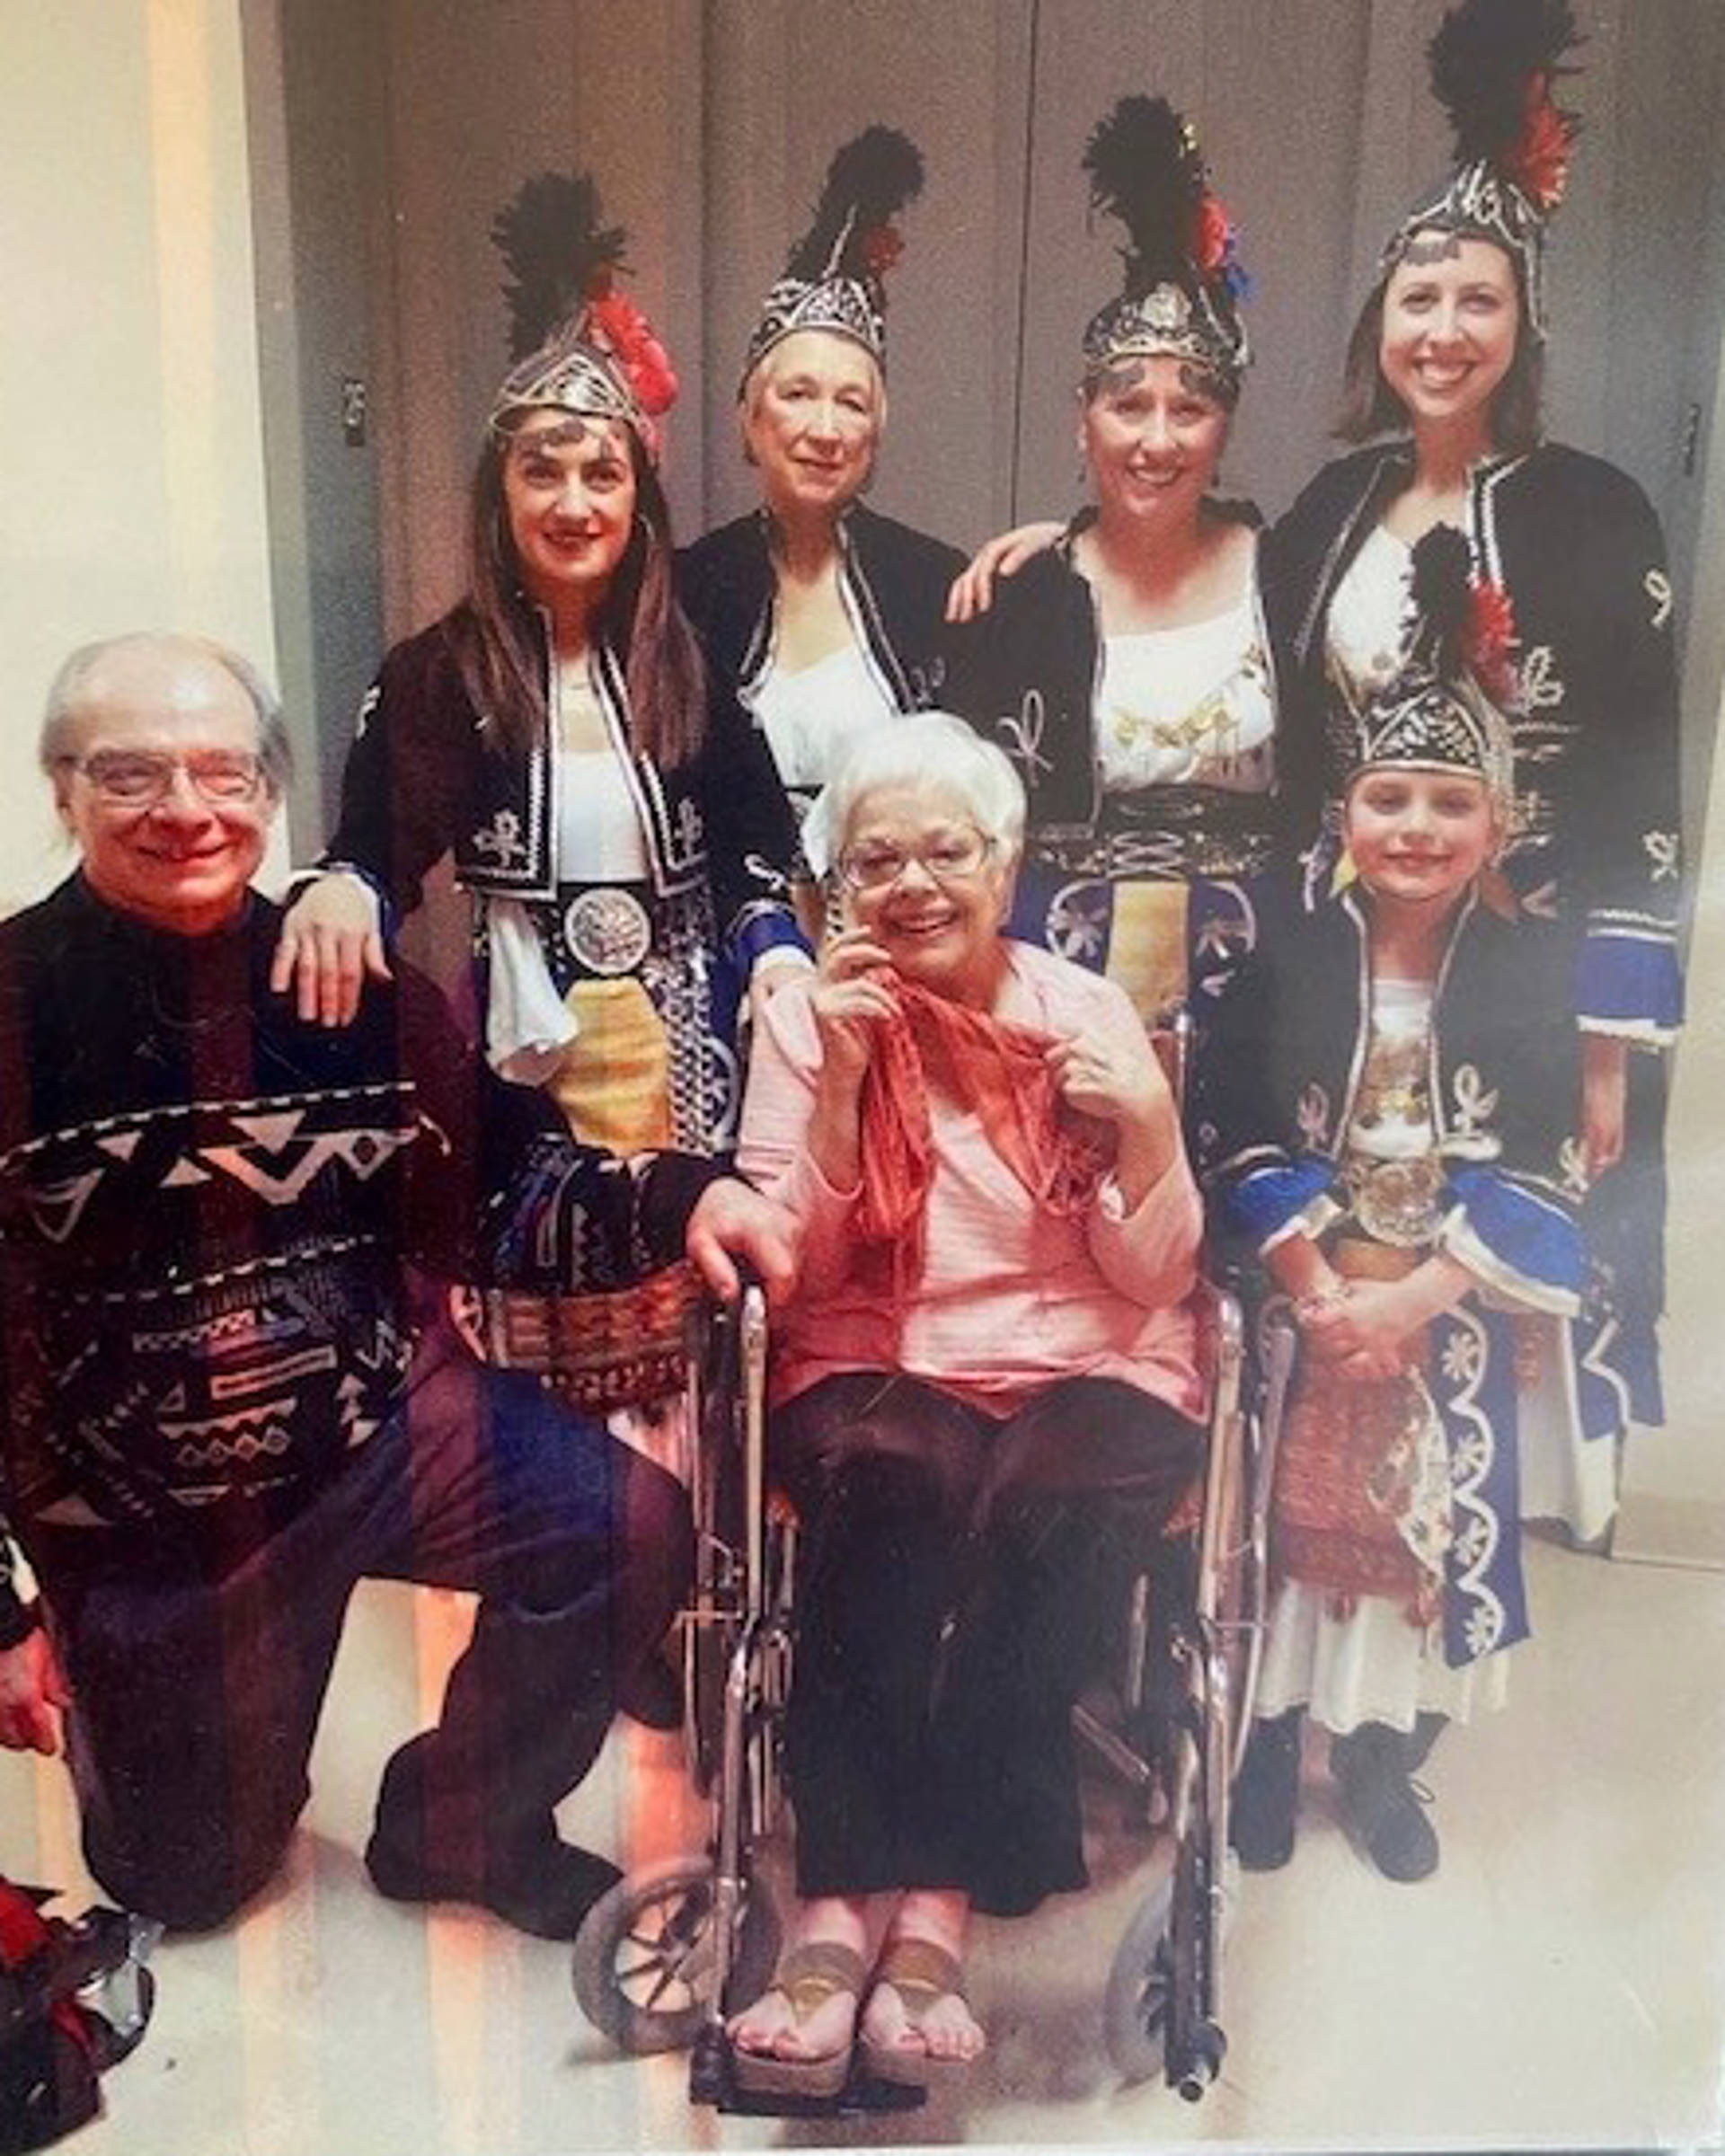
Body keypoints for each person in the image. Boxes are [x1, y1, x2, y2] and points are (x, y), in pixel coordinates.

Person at [0, 632, 797, 1940]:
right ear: (61, 789)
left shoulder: (346, 986)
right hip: (148, 1524)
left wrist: (684, 1195)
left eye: (222, 772)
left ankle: (459, 1826)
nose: (187, 810)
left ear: (269, 793)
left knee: (628, 1522)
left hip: (378, 1433)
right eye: (131, 774)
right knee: (184, 1882)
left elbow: (505, 1189)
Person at [728, 714, 1203, 2092]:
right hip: (881, 1344)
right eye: (878, 861)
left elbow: (1155, 1274)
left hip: (1084, 1353)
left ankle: (932, 1907)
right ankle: (837, 1906)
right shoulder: (807, 1023)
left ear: (1006, 866)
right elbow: (793, 1267)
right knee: (897, 1488)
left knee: (1050, 1503)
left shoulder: (1083, 1014)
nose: (915, 885)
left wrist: (1151, 1126)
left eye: (948, 852)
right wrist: (841, 1091)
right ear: (836, 889)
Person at [1261, 0, 1682, 1536]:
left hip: (1529, 961)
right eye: (1419, 297)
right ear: (1380, 322)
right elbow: (1233, 621)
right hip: (1351, 951)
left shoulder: (1600, 513)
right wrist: (1063, 545)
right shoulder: (1329, 510)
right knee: (1346, 1272)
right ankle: (1332, 1576)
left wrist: (1607, 1042)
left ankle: (1461, 1602)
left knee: (1494, 1287)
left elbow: (1639, 785)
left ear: (1524, 327)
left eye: (1478, 302)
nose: (1443, 331)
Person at [1196, 532, 1591, 1883]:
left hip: (1450, 1310)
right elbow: (1236, 1118)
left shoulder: (1528, 972)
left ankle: (1377, 1763)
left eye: (1449, 804)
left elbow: (1544, 1157)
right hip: (1303, 1301)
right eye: (1388, 798)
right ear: (1346, 815)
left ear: (1497, 825)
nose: (1416, 829)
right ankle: (1263, 1746)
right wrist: (1320, 1291)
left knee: (1421, 1541)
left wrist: (1420, 1298)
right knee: (1279, 1540)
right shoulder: (1288, 954)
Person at [270, 171, 805, 1160]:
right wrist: (343, 887)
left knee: (694, 1242)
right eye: (542, 473)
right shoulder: (437, 674)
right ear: (500, 497)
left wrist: (776, 953)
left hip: (693, 1038)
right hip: (525, 1035)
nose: (573, 504)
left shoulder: (691, 661)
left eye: (602, 475)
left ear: (638, 503)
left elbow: (753, 842)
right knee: (535, 1240)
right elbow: (377, 843)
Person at [942, 95, 1278, 1029]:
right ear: (1082, 420)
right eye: (1128, 406)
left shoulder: (1288, 579)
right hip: (1053, 985)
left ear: (1224, 429)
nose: (1157, 441)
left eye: (1190, 409)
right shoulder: (1019, 596)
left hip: (1258, 991)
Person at [677, 128, 966, 885]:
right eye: (798, 394)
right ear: (749, 418)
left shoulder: (936, 582)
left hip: (897, 927)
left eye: (852, 403)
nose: (826, 429)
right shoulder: (684, 588)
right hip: (728, 934)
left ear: (877, 431)